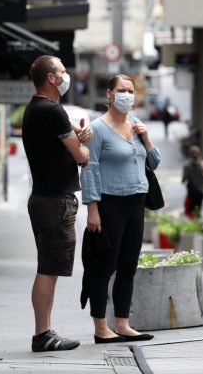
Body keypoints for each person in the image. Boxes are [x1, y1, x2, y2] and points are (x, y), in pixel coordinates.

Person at [80, 74, 161, 344]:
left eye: (130, 90)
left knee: (128, 265)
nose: (127, 95)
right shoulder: (97, 129)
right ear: (109, 94)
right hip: (109, 203)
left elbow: (154, 161)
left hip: (137, 203)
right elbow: (89, 170)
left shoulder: (136, 125)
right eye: (121, 90)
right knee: (104, 267)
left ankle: (123, 324)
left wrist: (147, 138)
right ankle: (101, 327)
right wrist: (93, 209)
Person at [22, 55, 92, 352]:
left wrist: (78, 131)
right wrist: (84, 145)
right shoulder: (51, 111)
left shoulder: (38, 108)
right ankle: (42, 334)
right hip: (54, 202)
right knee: (48, 269)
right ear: (51, 78)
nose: (67, 75)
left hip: (45, 198)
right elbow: (81, 156)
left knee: (48, 267)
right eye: (62, 71)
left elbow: (65, 130)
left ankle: (45, 331)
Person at [182, 145, 203, 219]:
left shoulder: (187, 165)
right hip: (201, 190)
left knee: (190, 210)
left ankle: (193, 226)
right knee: (198, 209)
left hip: (192, 191)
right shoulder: (202, 164)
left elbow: (184, 179)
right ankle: (198, 224)